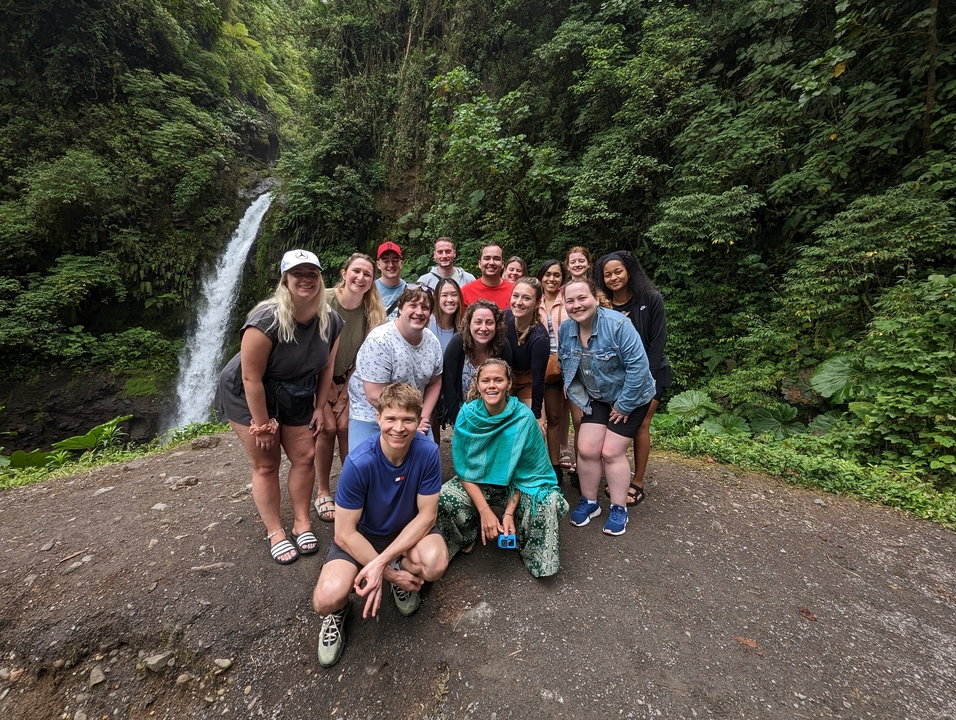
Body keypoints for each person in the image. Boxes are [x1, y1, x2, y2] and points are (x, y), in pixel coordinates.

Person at [214, 249, 343, 564]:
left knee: (304, 455)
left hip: (297, 390)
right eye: (298, 273)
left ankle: (302, 521)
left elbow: (327, 368)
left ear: (320, 278)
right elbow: (250, 377)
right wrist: (261, 424)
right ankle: (275, 531)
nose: (305, 279)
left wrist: (318, 405)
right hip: (250, 393)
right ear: (286, 279)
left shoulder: (331, 320)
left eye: (312, 273)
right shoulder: (266, 319)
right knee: (267, 462)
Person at [312, 383, 449, 668]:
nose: (398, 428)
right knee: (325, 599)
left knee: (435, 564)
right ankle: (339, 612)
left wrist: (382, 565)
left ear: (418, 419)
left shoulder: (428, 453)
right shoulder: (359, 462)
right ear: (378, 418)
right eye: (391, 419)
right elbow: (344, 532)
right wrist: (391, 575)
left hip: (406, 533)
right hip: (362, 537)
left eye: (408, 420)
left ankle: (397, 566)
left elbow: (427, 517)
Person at [437, 359, 569, 577]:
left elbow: (528, 474)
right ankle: (466, 535)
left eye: (498, 380)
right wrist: (484, 511)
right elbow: (464, 471)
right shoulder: (467, 416)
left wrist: (508, 512)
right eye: (486, 380)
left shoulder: (523, 417)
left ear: (509, 384)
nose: (492, 385)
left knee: (548, 501)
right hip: (479, 482)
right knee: (444, 498)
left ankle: (525, 538)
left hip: (514, 485)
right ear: (477, 385)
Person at [559, 278, 656, 537]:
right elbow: (568, 368)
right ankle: (590, 503)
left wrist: (624, 406)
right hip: (597, 397)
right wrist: (583, 400)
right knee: (587, 448)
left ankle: (618, 507)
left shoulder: (618, 325)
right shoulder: (565, 329)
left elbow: (639, 368)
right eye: (570, 300)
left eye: (582, 298)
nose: (576, 305)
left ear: (596, 297)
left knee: (611, 451)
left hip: (632, 397)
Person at [314, 253, 386, 523]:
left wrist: (343, 395)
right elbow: (315, 348)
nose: (361, 278)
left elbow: (364, 357)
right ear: (344, 273)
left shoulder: (372, 309)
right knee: (328, 427)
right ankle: (322, 491)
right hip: (316, 376)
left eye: (367, 274)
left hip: (349, 378)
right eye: (356, 271)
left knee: (345, 426)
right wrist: (329, 390)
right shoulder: (325, 301)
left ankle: (351, 487)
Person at [595, 251, 670, 507]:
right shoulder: (602, 304)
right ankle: (618, 474)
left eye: (618, 272)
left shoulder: (650, 299)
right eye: (608, 274)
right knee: (616, 427)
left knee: (640, 425)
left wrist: (639, 382)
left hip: (650, 373)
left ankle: (637, 481)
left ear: (629, 271)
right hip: (614, 378)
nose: (614, 277)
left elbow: (657, 344)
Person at [347, 285, 443, 449]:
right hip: (372, 414)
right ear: (400, 309)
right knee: (365, 465)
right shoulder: (380, 340)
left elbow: (435, 381)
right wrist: (407, 421)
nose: (419, 312)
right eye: (413, 306)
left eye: (425, 307)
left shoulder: (432, 342)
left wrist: (423, 418)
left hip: (414, 414)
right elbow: (374, 395)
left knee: (427, 456)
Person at [441, 299, 514, 426]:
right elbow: (449, 384)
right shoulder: (458, 343)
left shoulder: (503, 345)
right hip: (463, 411)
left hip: (495, 412)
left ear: (497, 325)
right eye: (478, 322)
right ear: (469, 324)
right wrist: (457, 421)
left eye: (489, 322)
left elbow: (508, 383)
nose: (483, 328)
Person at [535, 260, 572, 483]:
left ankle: (556, 464)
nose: (551, 278)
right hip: (538, 365)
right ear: (540, 276)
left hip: (564, 365)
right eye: (547, 274)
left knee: (557, 416)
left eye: (556, 275)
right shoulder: (533, 299)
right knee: (539, 417)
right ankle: (540, 464)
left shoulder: (568, 300)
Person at [504, 277, 549, 435]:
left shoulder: (540, 338)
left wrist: (537, 415)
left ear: (537, 303)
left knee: (535, 429)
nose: (519, 302)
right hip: (503, 378)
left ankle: (539, 459)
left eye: (526, 298)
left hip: (527, 382)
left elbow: (538, 380)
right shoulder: (504, 318)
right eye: (515, 296)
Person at [428, 277, 464, 441]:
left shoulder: (464, 327)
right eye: (445, 295)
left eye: (454, 295)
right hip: (429, 382)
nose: (450, 300)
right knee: (430, 421)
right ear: (437, 298)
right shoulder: (427, 322)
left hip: (453, 382)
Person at [460, 243, 514, 309]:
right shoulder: (466, 292)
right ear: (479, 264)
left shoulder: (514, 291)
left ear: (502, 264)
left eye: (496, 259)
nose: (491, 262)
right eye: (487, 258)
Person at [375, 241, 406, 319]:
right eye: (386, 261)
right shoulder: (370, 289)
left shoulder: (410, 289)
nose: (391, 265)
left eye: (395, 260)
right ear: (378, 265)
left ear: (401, 263)